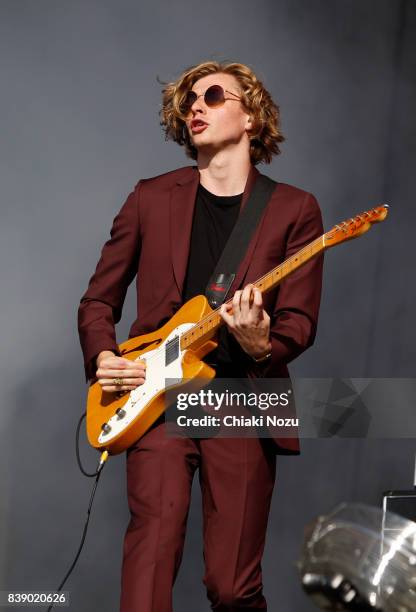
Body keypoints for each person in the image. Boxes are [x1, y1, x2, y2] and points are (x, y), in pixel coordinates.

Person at [78, 60, 323, 612]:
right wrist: (102, 355)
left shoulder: (294, 209)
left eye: (214, 95)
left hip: (242, 396)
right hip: (157, 396)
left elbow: (299, 324)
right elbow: (98, 300)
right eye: (189, 98)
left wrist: (264, 343)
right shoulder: (149, 197)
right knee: (149, 561)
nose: (197, 105)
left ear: (253, 117)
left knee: (232, 586)